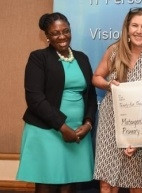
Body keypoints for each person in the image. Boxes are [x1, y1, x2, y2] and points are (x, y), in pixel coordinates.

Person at [16, 12, 97, 193]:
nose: (62, 36)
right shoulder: (38, 58)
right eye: (55, 33)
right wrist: (62, 126)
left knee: (69, 185)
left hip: (78, 132)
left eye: (66, 31)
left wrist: (89, 123)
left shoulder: (82, 58)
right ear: (47, 36)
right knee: (47, 185)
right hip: (48, 131)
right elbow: (35, 98)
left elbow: (90, 95)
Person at [93, 7, 142, 193]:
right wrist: (109, 85)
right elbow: (97, 77)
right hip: (110, 122)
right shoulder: (114, 51)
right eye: (134, 25)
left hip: (141, 126)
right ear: (127, 27)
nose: (138, 31)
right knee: (107, 182)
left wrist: (138, 140)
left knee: (137, 184)